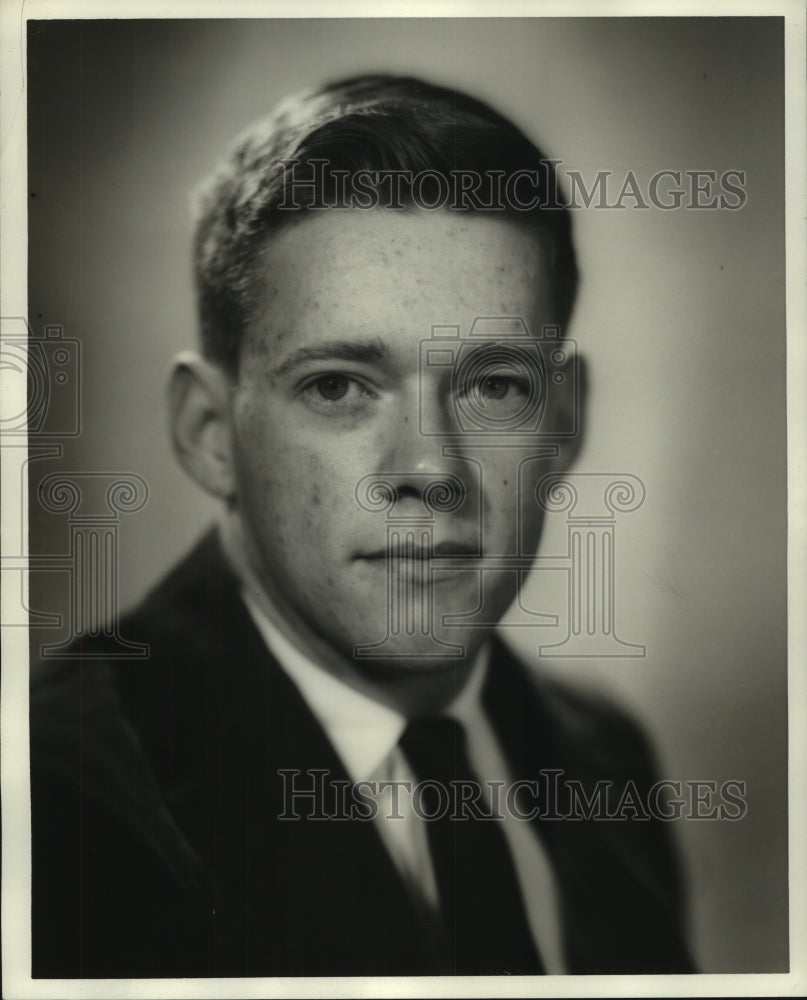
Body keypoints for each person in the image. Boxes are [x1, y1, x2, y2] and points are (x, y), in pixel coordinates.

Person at [30, 74, 695, 977]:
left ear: (565, 420)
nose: (429, 471)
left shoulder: (601, 760)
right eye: (338, 387)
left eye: (493, 386)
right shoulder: (54, 803)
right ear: (209, 432)